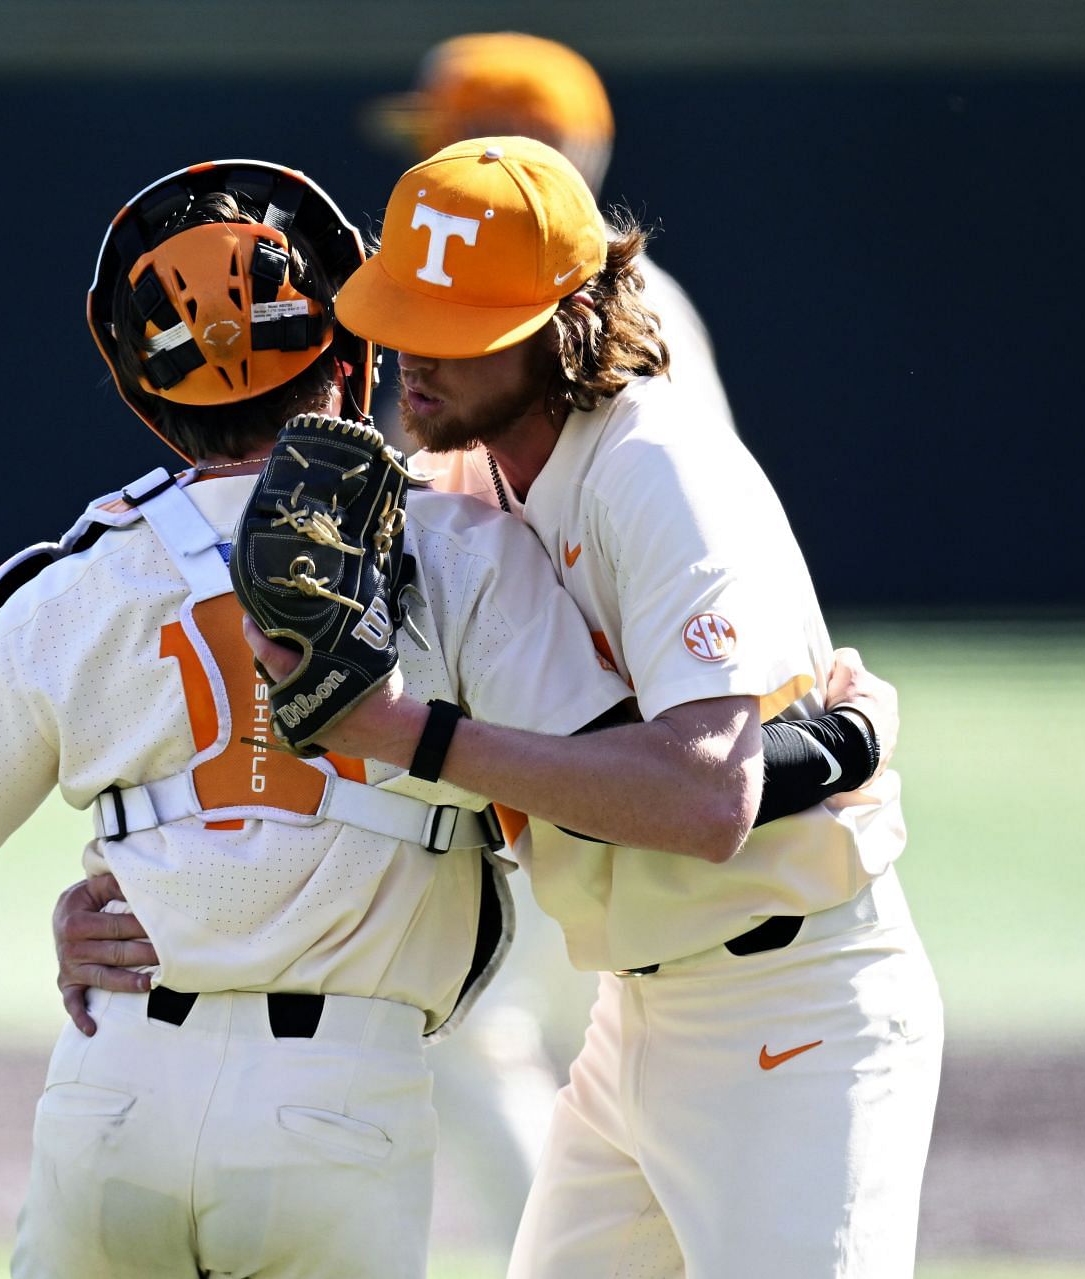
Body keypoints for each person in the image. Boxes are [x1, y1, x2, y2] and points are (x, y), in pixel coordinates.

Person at [0, 157, 640, 1278]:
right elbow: (617, 794)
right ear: (351, 359)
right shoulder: (464, 550)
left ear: (145, 394)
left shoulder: (74, 584)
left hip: (113, 1090)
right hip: (339, 1104)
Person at [264, 136, 943, 1277]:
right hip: (636, 1016)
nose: (409, 352)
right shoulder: (472, 475)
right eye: (404, 312)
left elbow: (705, 796)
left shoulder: (657, 466)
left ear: (563, 321)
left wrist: (410, 734)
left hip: (794, 1011)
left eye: (454, 324)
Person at [365, 30, 735, 444]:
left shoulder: (619, 300)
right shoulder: (528, 273)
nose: (431, 162)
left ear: (504, 141)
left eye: (441, 138)